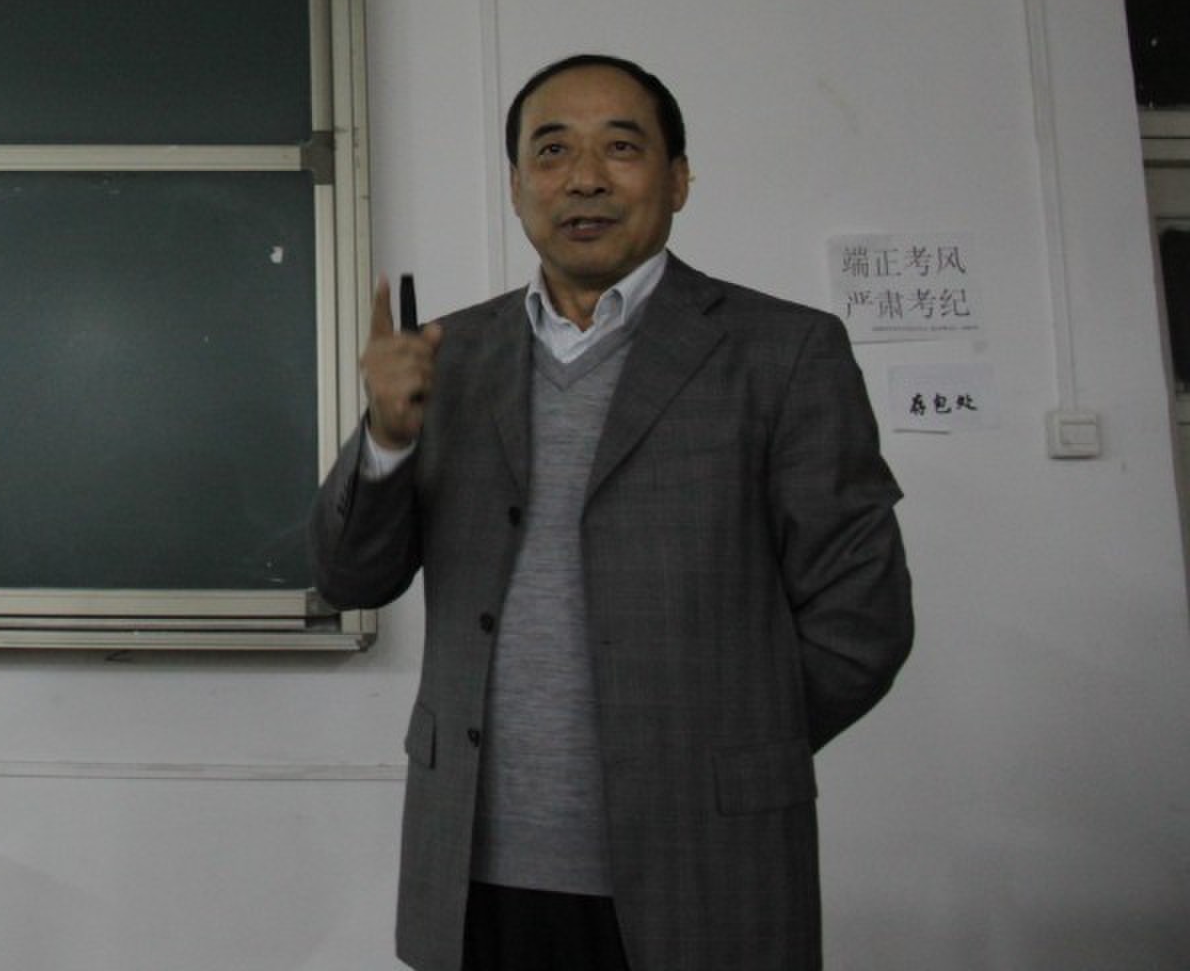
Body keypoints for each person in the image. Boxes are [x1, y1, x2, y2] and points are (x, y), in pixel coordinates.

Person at [310, 53, 913, 971]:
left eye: (621, 148)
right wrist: (387, 438)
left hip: (705, 863)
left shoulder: (783, 352)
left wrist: (732, 752)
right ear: (517, 186)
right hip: (476, 870)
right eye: (551, 151)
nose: (584, 178)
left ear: (678, 180)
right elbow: (352, 576)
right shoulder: (450, 356)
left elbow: (862, 620)